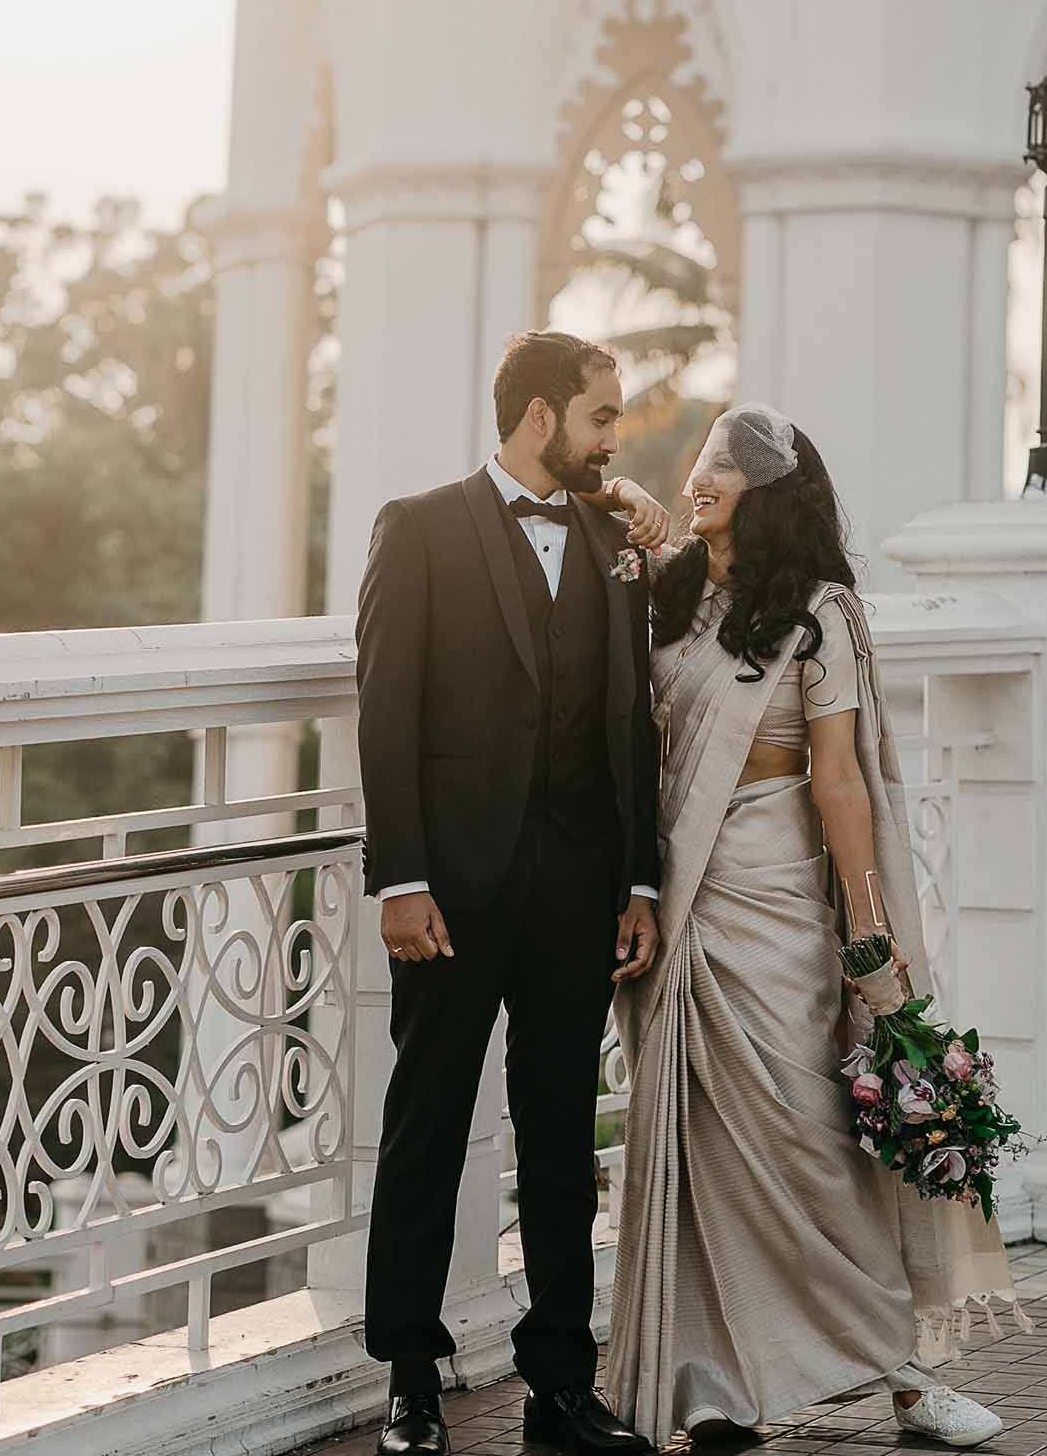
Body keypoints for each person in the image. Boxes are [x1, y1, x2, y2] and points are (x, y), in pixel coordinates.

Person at [607, 404, 1030, 1452]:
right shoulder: (666, 597)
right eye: (698, 460)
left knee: (816, 1141)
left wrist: (870, 927)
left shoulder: (819, 612)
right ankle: (711, 1382)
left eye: (726, 468)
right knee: (701, 1156)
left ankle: (904, 1370)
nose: (702, 476)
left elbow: (839, 779)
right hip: (681, 896)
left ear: (772, 493)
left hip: (782, 904)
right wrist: (636, 514)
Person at [357, 331, 671, 1456]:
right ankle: (409, 1377)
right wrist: (400, 877)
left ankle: (559, 1385)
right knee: (428, 1125)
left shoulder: (611, 538)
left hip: (578, 888)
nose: (613, 436)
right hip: (449, 889)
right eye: (601, 416)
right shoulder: (421, 525)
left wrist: (638, 877)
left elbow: (634, 718)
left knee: (556, 1139)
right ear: (541, 416)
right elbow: (385, 712)